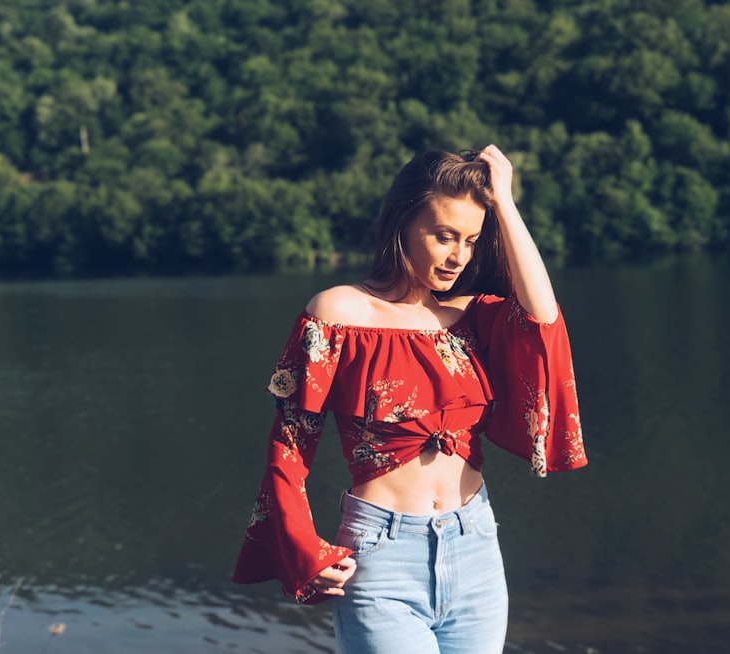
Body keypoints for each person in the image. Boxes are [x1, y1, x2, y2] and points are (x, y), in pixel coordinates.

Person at [232, 145, 587, 654]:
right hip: (381, 558)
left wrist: (505, 202)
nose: (457, 256)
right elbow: (290, 445)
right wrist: (305, 548)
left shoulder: (471, 318)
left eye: (470, 239)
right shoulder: (338, 313)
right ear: (401, 224)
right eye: (443, 235)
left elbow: (542, 317)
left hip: (476, 548)